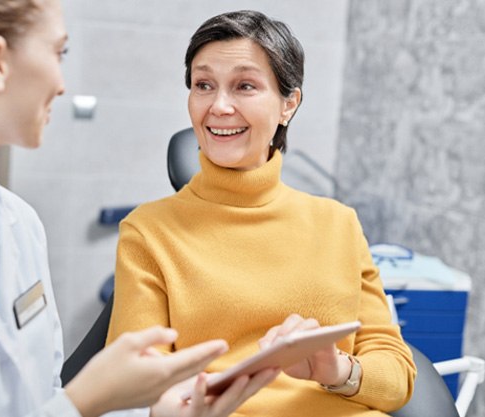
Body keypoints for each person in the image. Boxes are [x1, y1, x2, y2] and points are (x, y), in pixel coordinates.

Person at [0, 1, 279, 417]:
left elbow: (40, 401)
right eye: (58, 53)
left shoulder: (18, 225)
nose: (62, 84)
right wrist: (85, 402)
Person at [106, 9, 417, 417]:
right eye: (203, 85)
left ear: (289, 104)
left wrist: (337, 370)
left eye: (244, 86)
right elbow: (136, 388)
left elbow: (398, 376)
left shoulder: (338, 224)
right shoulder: (149, 232)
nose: (218, 106)